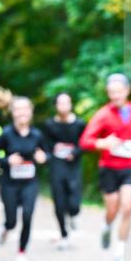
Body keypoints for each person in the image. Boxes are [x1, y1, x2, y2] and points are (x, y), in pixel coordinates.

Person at [79, 73, 131, 261]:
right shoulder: (103, 114)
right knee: (112, 210)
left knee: (127, 207)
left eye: (118, 91)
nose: (115, 96)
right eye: (111, 92)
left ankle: (120, 252)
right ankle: (107, 226)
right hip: (109, 169)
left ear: (127, 90)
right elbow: (85, 141)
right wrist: (103, 142)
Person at [0, 96, 47, 261]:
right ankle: (5, 229)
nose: (22, 112)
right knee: (11, 221)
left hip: (29, 184)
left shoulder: (37, 135)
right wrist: (7, 160)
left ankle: (21, 253)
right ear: (12, 112)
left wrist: (43, 157)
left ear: (30, 112)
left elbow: (48, 154)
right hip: (9, 183)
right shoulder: (6, 134)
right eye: (18, 109)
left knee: (27, 215)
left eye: (25, 108)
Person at [41, 92, 87, 249]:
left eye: (66, 103)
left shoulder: (80, 124)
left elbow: (85, 143)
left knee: (74, 201)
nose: (64, 106)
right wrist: (49, 153)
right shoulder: (49, 125)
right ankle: (64, 234)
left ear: (71, 104)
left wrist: (74, 152)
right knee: (59, 202)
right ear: (56, 106)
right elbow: (45, 145)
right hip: (56, 166)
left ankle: (74, 215)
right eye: (60, 103)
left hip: (73, 166)